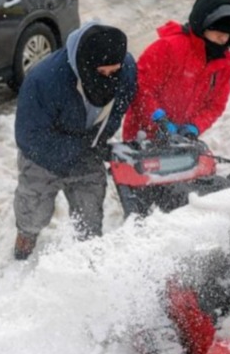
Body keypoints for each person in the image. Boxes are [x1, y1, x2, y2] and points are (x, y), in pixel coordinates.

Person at [12, 22, 137, 260]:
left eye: (114, 72)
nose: (109, 78)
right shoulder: (44, 80)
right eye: (102, 73)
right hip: (43, 158)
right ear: (86, 65)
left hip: (87, 151)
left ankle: (87, 259)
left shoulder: (127, 70)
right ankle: (25, 240)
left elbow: (119, 108)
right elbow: (30, 137)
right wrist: (79, 147)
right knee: (34, 209)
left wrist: (98, 141)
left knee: (89, 216)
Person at [122, 0, 230, 142]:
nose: (223, 38)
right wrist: (158, 120)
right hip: (142, 135)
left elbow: (216, 104)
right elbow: (142, 87)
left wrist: (195, 126)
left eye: (229, 33)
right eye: (218, 30)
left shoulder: (226, 62)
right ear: (202, 24)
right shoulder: (168, 47)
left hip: (182, 139)